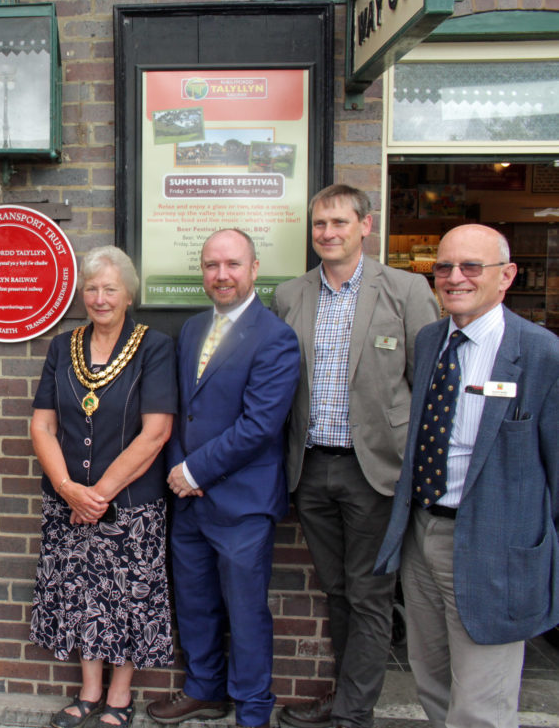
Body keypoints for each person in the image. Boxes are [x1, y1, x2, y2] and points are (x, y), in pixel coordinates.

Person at [374, 223, 559, 728]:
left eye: (471, 266)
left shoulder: (541, 354)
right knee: (432, 682)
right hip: (422, 535)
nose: (455, 277)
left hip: (494, 551)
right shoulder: (430, 339)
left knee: (480, 706)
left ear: (507, 276)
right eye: (444, 267)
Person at [271, 184, 438, 728]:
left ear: (365, 225)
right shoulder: (291, 295)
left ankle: (353, 713)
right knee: (337, 590)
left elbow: (428, 386)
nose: (328, 233)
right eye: (320, 224)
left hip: (375, 470)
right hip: (311, 467)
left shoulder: (407, 289)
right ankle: (345, 697)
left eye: (340, 222)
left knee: (369, 595)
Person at [147, 229, 300, 728]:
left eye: (233, 264)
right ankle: (204, 688)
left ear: (254, 269)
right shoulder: (193, 329)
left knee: (246, 611)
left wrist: (194, 470)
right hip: (189, 500)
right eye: (212, 265)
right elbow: (179, 410)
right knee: (195, 603)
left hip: (242, 503)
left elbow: (260, 425)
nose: (222, 275)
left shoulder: (275, 337)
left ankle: (253, 710)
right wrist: (179, 471)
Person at [29, 246, 177, 728]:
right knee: (81, 595)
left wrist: (97, 495)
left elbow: (156, 432)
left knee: (128, 599)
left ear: (129, 294)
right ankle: (89, 690)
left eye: (110, 289)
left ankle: (120, 694)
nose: (100, 298)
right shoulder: (62, 346)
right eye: (91, 289)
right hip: (67, 502)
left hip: (131, 505)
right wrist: (67, 487)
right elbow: (42, 426)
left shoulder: (154, 347)